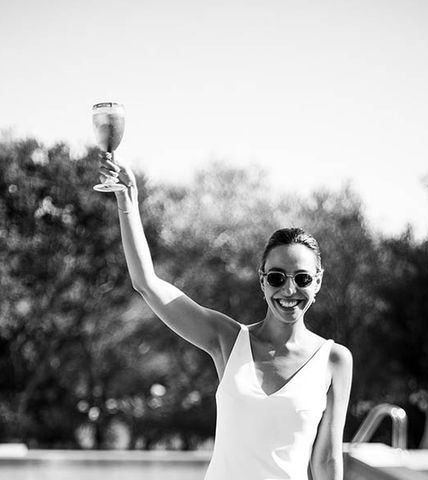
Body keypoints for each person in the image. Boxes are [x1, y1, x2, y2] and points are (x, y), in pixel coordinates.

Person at [98, 153, 353, 480]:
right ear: (262, 280)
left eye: (302, 278)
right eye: (277, 277)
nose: (289, 290)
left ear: (317, 281)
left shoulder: (334, 360)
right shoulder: (229, 340)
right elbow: (146, 284)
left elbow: (328, 461)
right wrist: (127, 202)